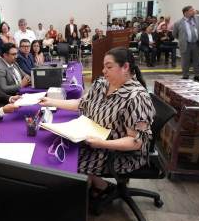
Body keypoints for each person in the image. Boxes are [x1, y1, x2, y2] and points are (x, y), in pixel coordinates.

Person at [40, 47, 154, 197]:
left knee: (66, 165)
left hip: (117, 153)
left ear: (125, 67)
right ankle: (100, 186)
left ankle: (83, 197)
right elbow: (80, 104)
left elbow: (135, 142)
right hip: (93, 141)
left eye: (109, 67)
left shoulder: (136, 98)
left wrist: (102, 144)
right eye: (104, 67)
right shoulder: (102, 84)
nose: (104, 71)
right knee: (55, 151)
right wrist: (50, 101)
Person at [172, 5, 199, 82]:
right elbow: (174, 34)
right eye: (191, 10)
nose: (194, 11)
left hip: (197, 43)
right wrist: (182, 39)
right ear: (186, 13)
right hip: (186, 43)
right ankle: (185, 75)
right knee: (185, 60)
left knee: (198, 60)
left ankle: (197, 75)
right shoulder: (178, 23)